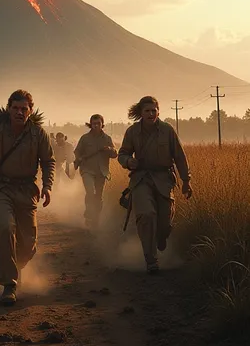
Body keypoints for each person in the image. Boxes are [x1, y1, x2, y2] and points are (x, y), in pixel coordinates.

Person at [0, 89, 55, 305]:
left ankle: (16, 266)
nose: (19, 112)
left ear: (30, 111)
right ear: (8, 109)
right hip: (0, 188)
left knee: (28, 245)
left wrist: (47, 185)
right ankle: (9, 284)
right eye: (15, 108)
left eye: (24, 109)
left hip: (26, 190)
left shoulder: (38, 133)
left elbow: (48, 161)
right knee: (5, 227)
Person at [118, 96, 193, 274]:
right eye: (147, 111)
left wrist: (186, 181)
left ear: (158, 111)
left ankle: (161, 236)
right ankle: (151, 261)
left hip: (164, 179)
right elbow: (122, 154)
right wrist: (129, 161)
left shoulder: (168, 130)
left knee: (164, 223)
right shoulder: (132, 132)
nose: (151, 114)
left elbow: (180, 157)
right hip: (141, 179)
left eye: (154, 110)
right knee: (146, 215)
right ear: (140, 113)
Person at [74, 115, 117, 232]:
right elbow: (77, 151)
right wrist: (79, 158)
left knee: (98, 196)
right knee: (90, 191)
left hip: (102, 172)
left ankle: (95, 220)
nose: (96, 125)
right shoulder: (85, 138)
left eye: (98, 123)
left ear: (102, 124)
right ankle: (89, 213)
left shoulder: (107, 138)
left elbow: (115, 154)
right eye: (94, 124)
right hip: (87, 170)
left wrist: (109, 149)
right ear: (90, 125)